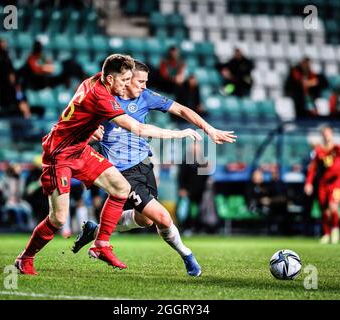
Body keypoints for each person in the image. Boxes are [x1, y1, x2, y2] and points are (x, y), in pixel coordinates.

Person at [14, 54, 201, 275]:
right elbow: (139, 129)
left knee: (121, 188)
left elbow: (77, 115)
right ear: (111, 80)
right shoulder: (102, 97)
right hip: (60, 155)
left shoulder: (93, 80)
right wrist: (179, 134)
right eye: (124, 81)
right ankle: (25, 258)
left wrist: (89, 130)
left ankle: (101, 244)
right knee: (59, 218)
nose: (126, 85)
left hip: (80, 149)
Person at [71, 60, 236, 276]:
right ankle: (187, 255)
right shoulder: (104, 99)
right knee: (163, 218)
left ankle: (95, 231)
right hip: (122, 172)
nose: (144, 86)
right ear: (127, 80)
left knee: (145, 220)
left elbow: (182, 110)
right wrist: (91, 135)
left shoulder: (145, 97)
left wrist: (209, 129)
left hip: (145, 165)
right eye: (140, 81)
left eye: (146, 82)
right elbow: (79, 124)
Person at [304, 126, 340, 244]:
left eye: (328, 133)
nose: (326, 135)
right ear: (322, 135)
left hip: (336, 183)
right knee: (324, 210)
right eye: (324, 133)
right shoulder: (318, 151)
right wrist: (308, 183)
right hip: (323, 184)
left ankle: (335, 230)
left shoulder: (338, 149)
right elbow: (312, 169)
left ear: (332, 134)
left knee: (333, 207)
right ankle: (326, 234)